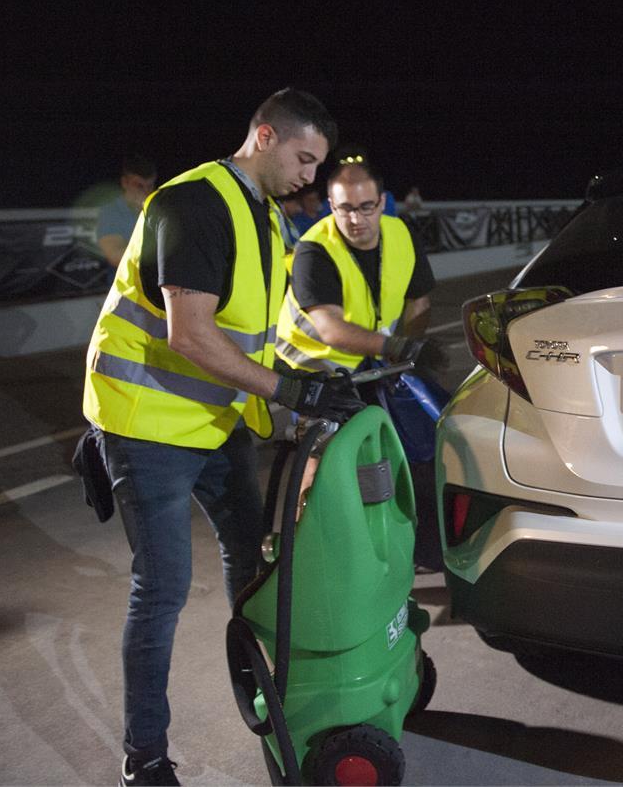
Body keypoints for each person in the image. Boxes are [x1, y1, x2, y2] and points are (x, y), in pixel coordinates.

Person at [81, 88, 357, 787]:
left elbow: (252, 339)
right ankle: (144, 757)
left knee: (255, 560)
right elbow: (192, 334)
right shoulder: (195, 202)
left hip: (217, 422)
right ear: (264, 136)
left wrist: (304, 378)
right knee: (163, 590)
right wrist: (292, 394)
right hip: (147, 430)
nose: (310, 178)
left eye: (317, 165)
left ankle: (260, 684)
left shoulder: (266, 217)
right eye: (303, 158)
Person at [274, 159, 446, 569]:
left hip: (371, 358)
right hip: (314, 364)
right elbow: (331, 330)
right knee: (324, 450)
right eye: (344, 208)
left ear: (382, 202)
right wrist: (401, 348)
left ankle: (388, 540)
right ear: (330, 206)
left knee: (387, 443)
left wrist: (411, 348)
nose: (356, 219)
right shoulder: (314, 250)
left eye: (366, 207)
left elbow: (418, 300)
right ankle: (302, 549)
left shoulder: (400, 234)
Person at [97, 155, 157, 267]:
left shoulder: (158, 209)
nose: (146, 191)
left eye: (150, 186)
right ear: (124, 183)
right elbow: (115, 258)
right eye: (139, 186)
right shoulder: (110, 213)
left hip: (156, 280)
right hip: (126, 283)